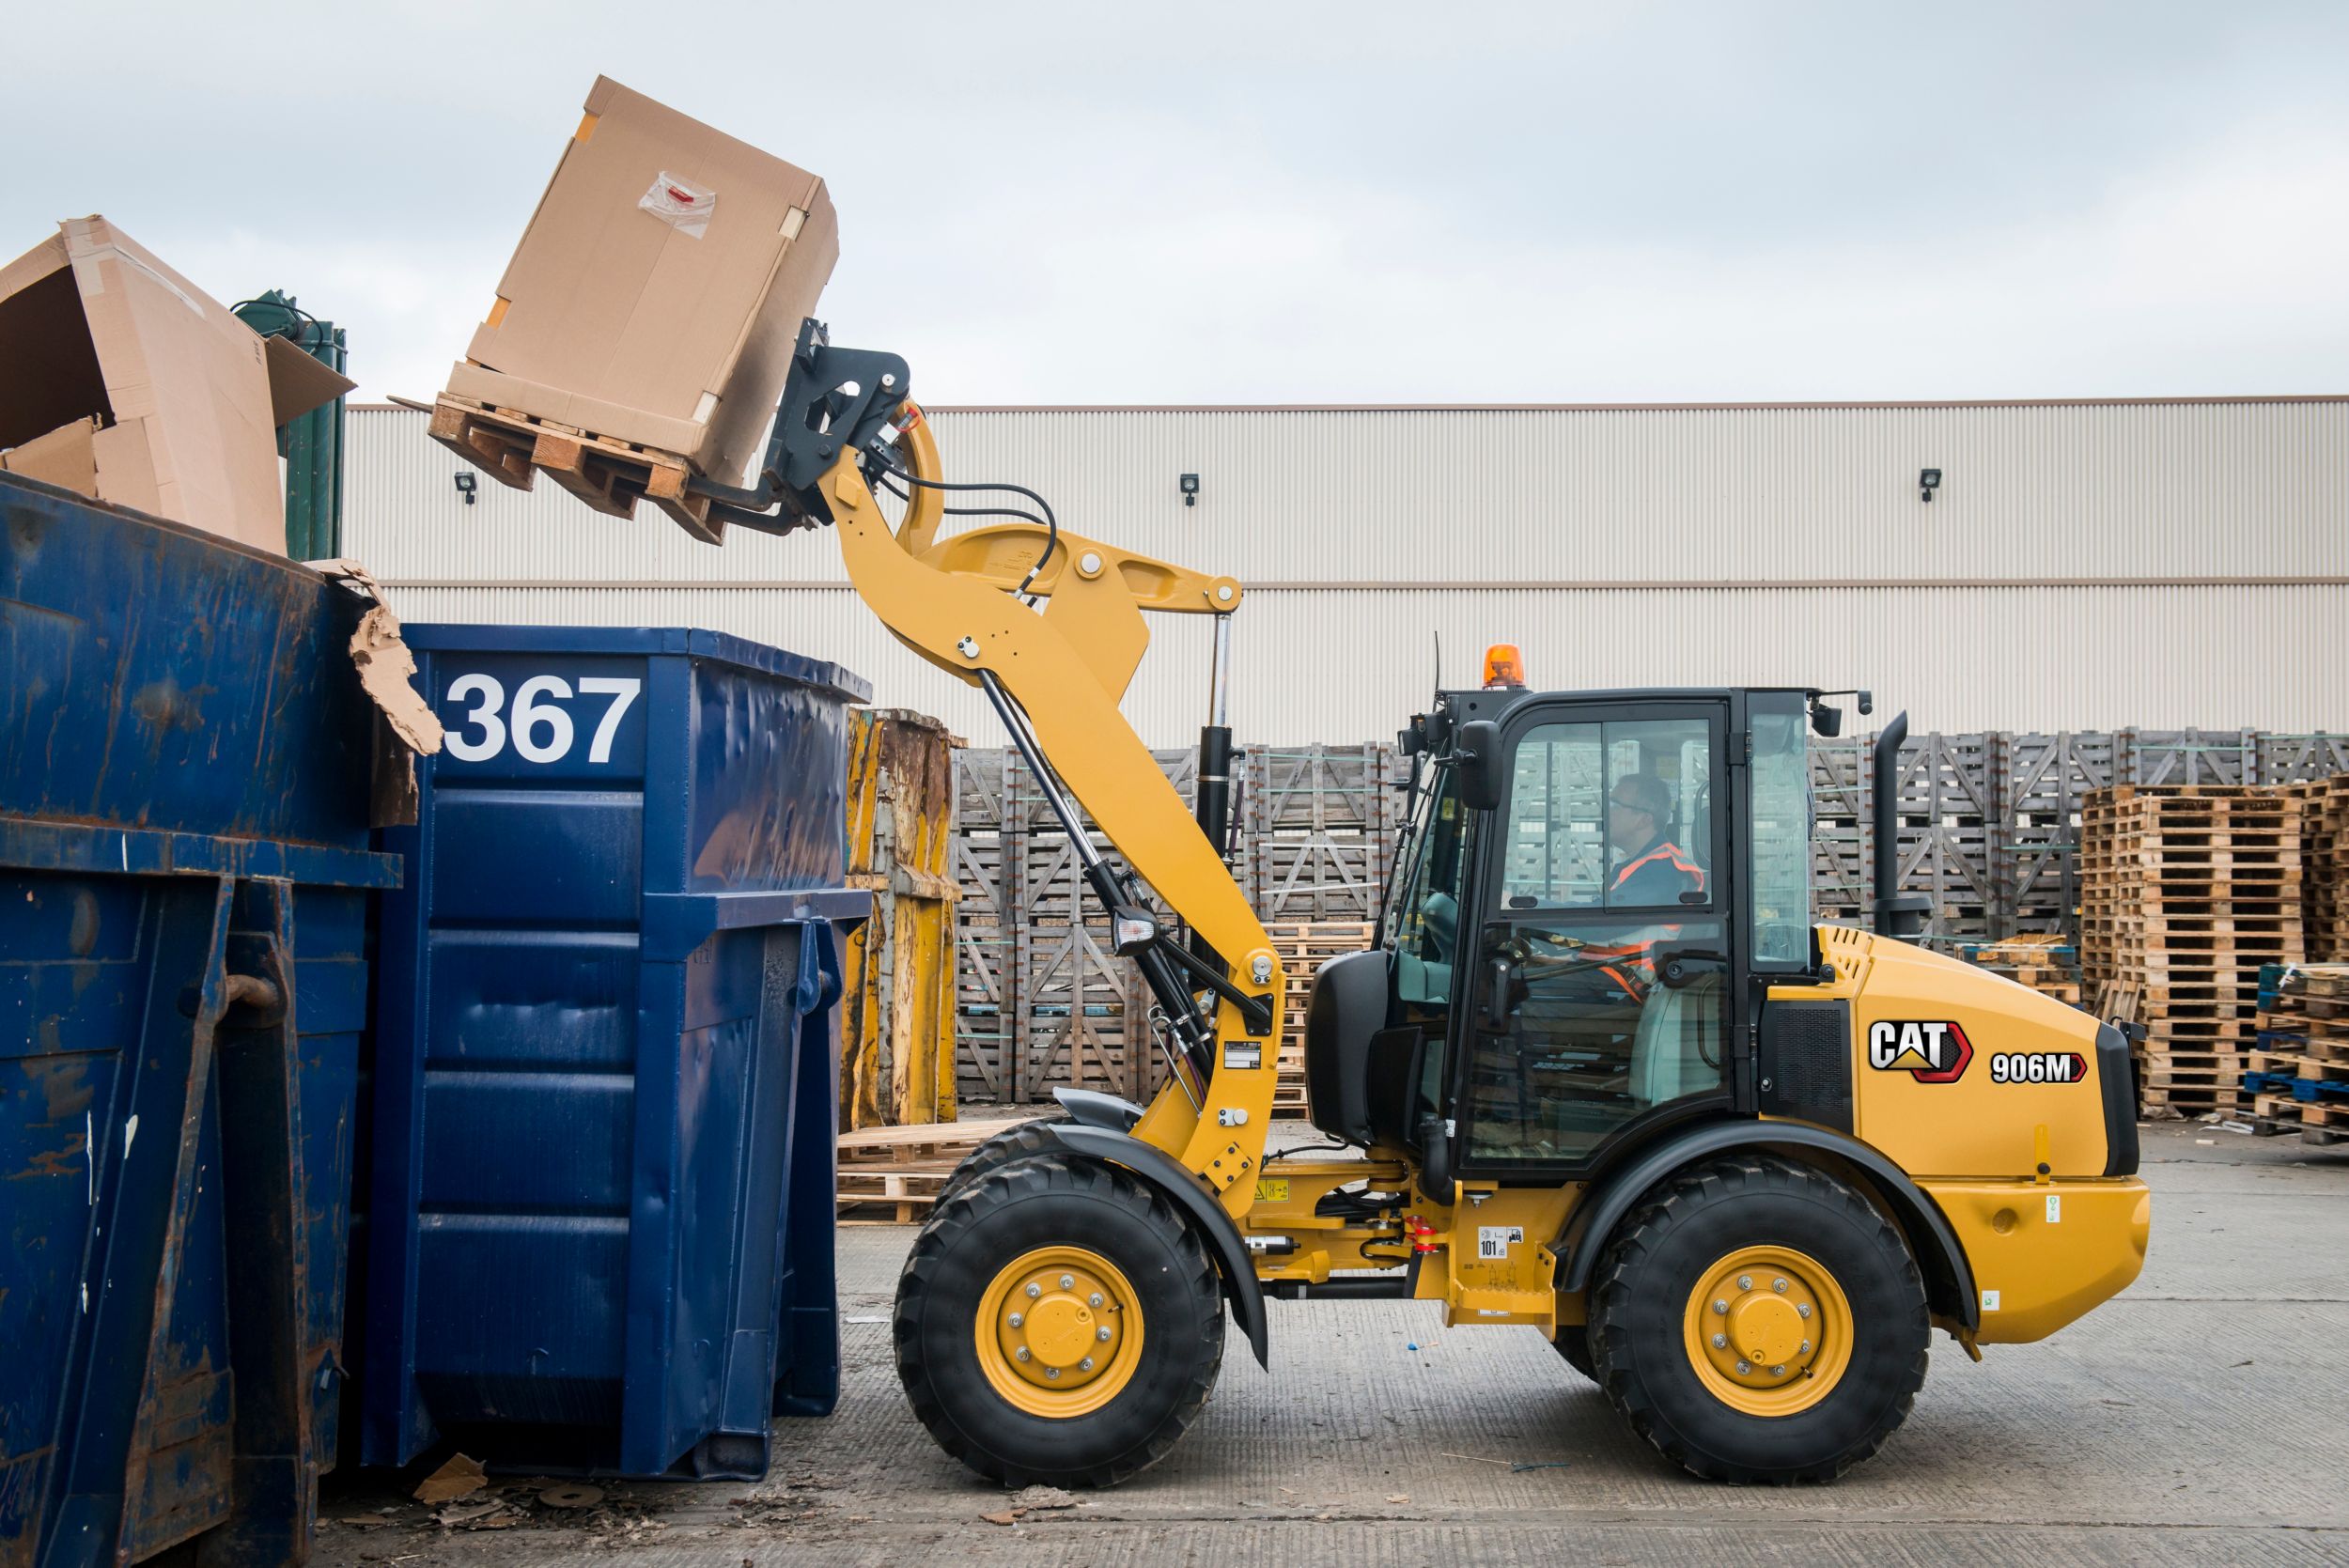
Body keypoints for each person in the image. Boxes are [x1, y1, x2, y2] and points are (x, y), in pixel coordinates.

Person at [1606, 772, 1704, 906]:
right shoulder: (1641, 867)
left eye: (1615, 805)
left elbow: (1602, 921)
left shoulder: (1658, 874)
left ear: (1644, 820)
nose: (1606, 811)